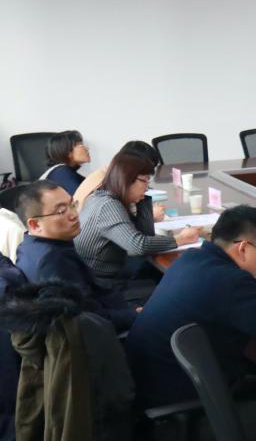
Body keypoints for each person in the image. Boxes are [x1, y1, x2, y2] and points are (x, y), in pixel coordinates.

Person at [125, 205, 256, 409]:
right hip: (185, 401)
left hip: (151, 386)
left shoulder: (191, 258)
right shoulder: (230, 281)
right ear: (243, 248)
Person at [13, 181, 137, 330]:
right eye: (61, 211)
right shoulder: (54, 260)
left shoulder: (28, 246)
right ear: (35, 225)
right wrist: (135, 315)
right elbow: (90, 321)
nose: (74, 215)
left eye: (72, 205)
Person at [75, 151, 199, 293]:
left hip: (106, 277)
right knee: (179, 288)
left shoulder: (105, 197)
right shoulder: (107, 205)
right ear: (127, 178)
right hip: (100, 286)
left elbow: (144, 234)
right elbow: (138, 246)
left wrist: (142, 200)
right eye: (144, 181)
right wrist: (181, 238)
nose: (147, 187)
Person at [74, 140, 161, 211]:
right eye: (145, 175)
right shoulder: (106, 184)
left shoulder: (111, 172)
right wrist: (151, 216)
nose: (147, 178)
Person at [39, 130, 91, 196]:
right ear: (68, 151)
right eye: (80, 144)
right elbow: (85, 198)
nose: (87, 148)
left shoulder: (63, 171)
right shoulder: (60, 172)